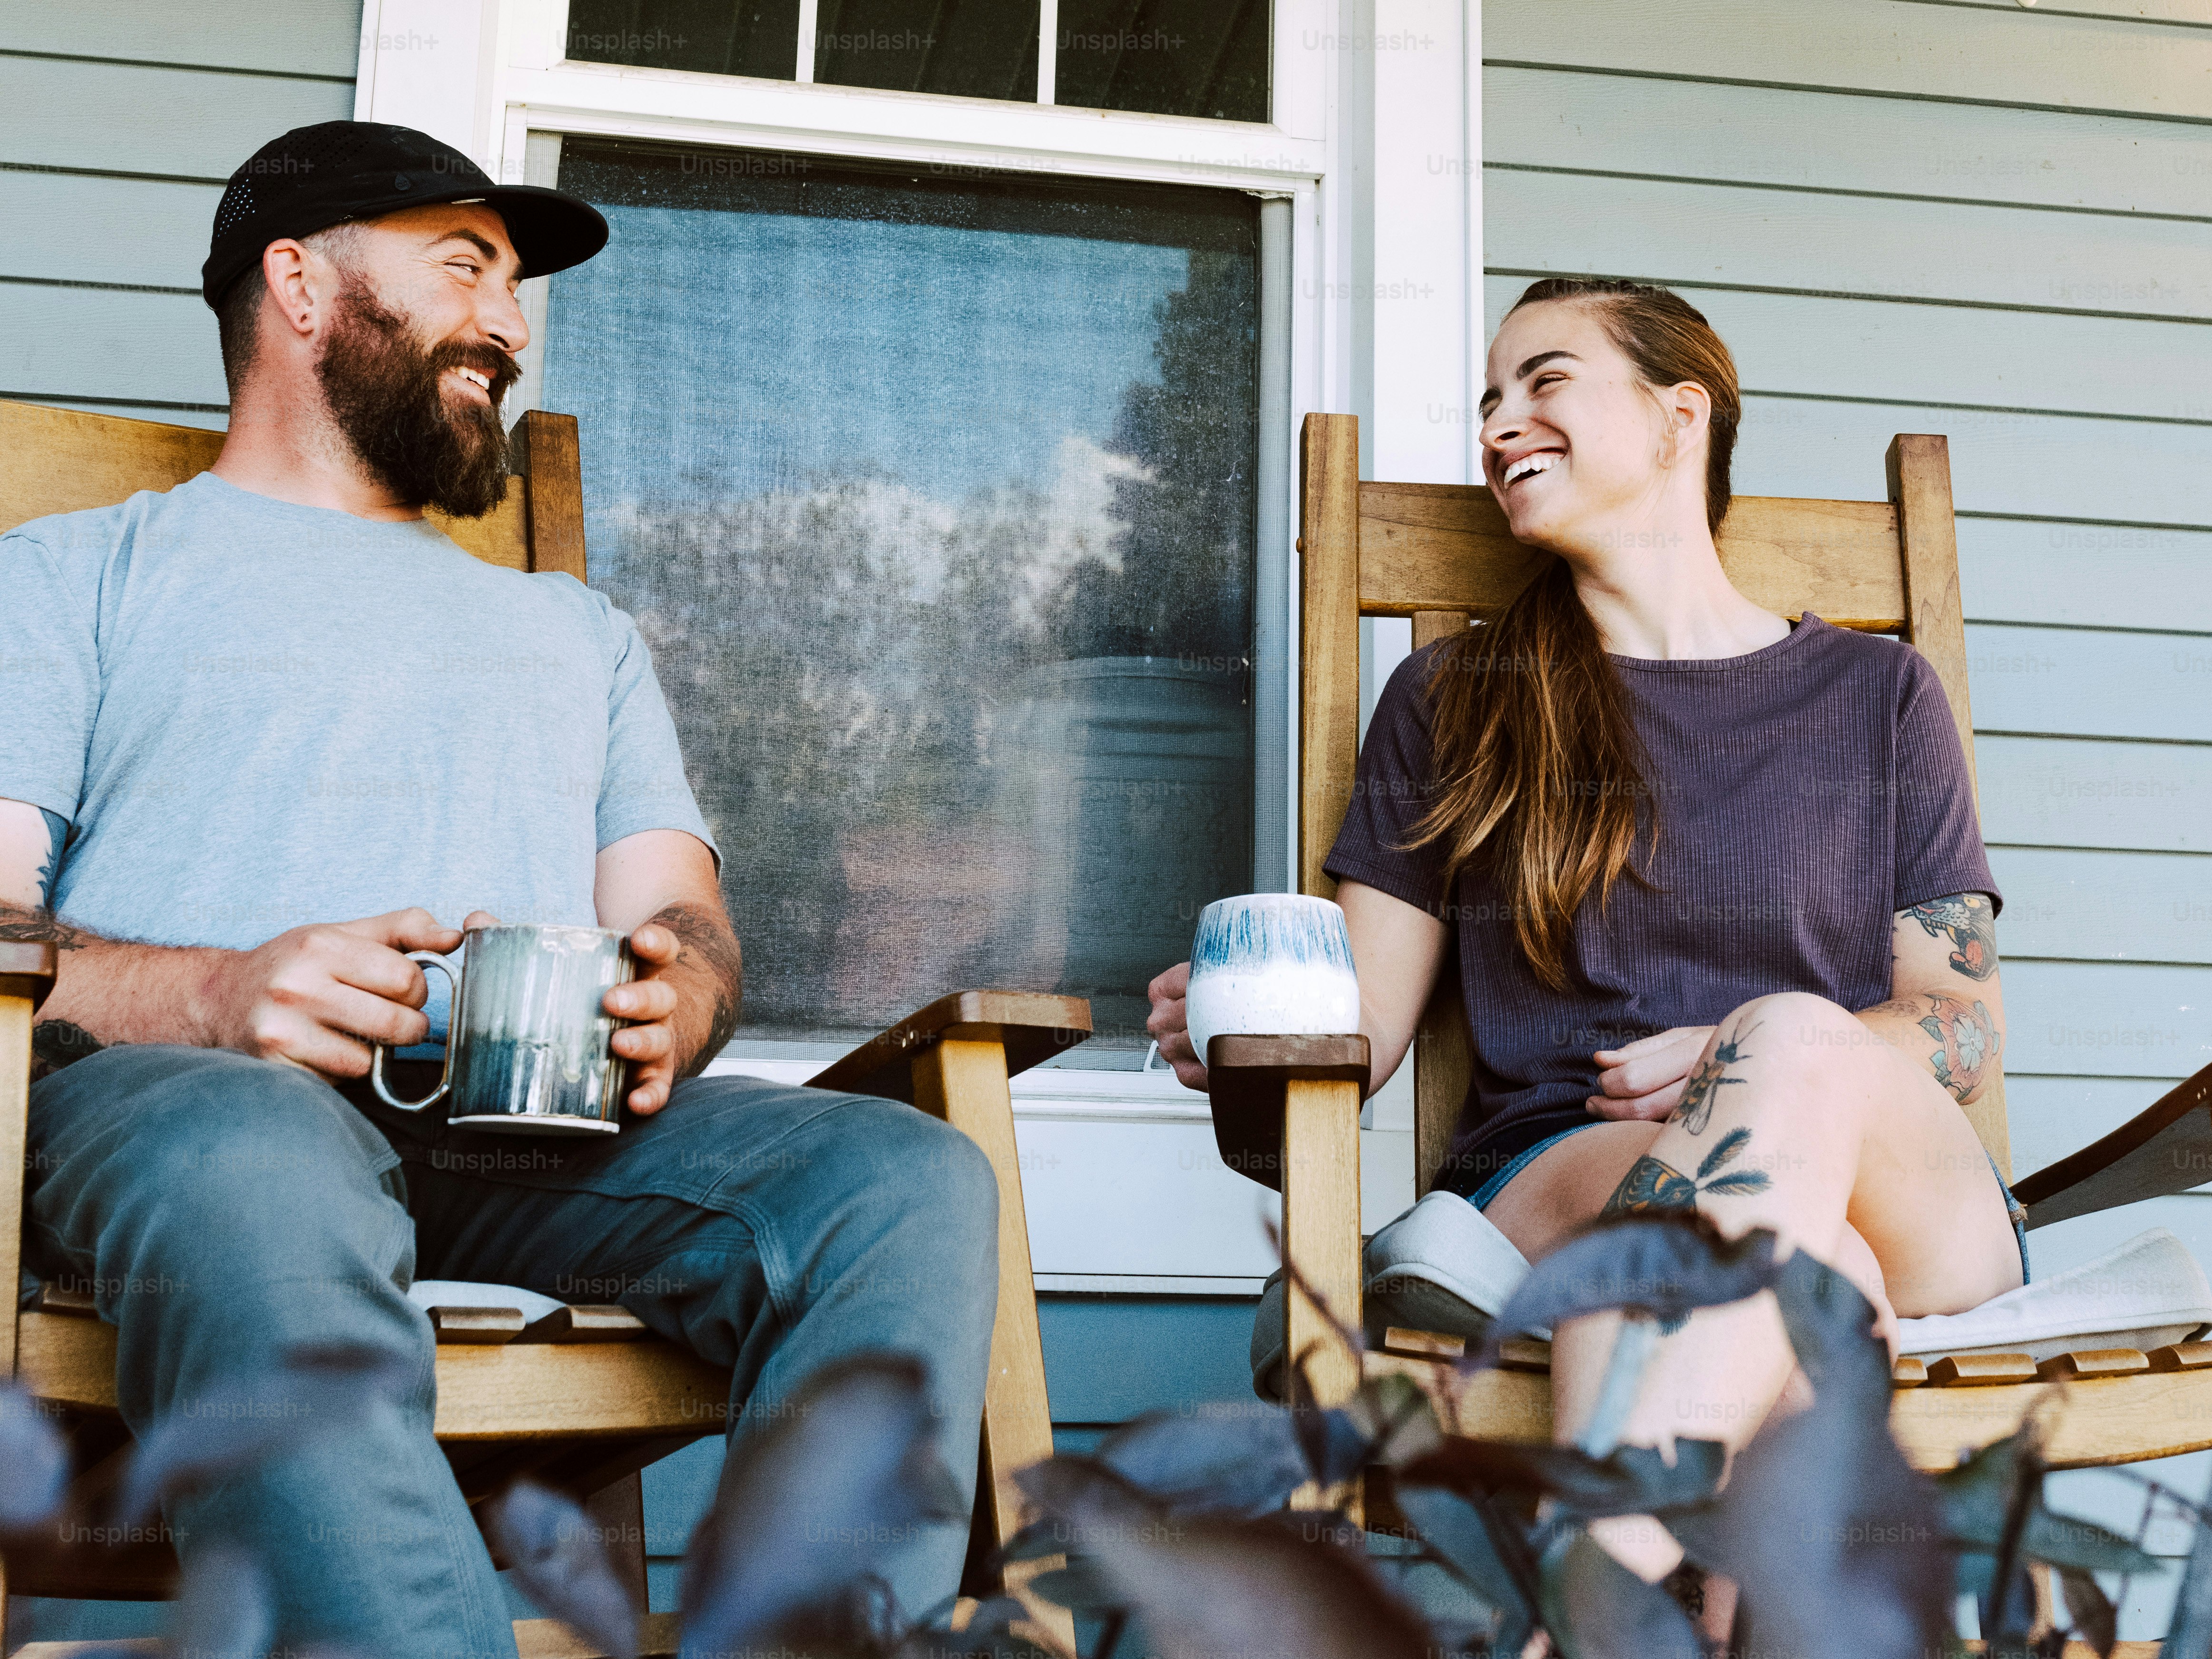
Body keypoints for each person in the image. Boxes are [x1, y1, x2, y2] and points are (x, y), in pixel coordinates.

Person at [0, 121, 997, 1656]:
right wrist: (214, 995)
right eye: (466, 268)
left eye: (516, 287)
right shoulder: (74, 575)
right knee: (259, 1147)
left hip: (527, 1133)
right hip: (177, 1105)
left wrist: (685, 993)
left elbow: (679, 912)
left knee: (901, 1180)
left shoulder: (571, 631)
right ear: (300, 285)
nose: (511, 326)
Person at [1146, 277, 2022, 1639]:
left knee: (1789, 1046)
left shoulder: (1875, 698)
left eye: (1543, 382)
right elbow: (1362, 1028)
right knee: (1810, 1296)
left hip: (1910, 1201)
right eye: (1488, 399)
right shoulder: (1460, 698)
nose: (1501, 423)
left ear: (1682, 417)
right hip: (1564, 1180)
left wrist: (1748, 1051)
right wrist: (1250, 1026)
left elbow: (1956, 1029)